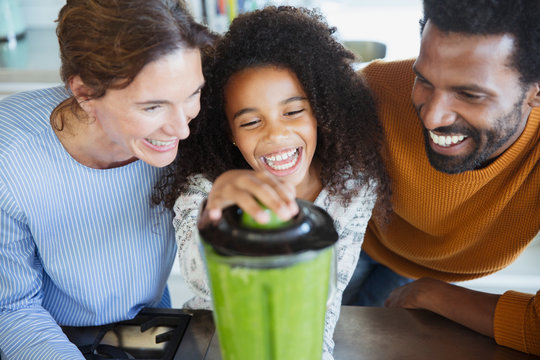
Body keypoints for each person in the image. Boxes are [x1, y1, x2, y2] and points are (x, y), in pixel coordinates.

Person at [154, 6, 391, 359]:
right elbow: (205, 282)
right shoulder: (205, 191)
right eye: (251, 122)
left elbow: (325, 302)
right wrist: (217, 214)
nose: (276, 134)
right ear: (229, 133)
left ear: (321, 112)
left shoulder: (352, 186)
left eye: (293, 112)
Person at [0, 0, 214, 358]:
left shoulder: (191, 130)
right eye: (152, 106)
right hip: (44, 336)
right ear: (84, 93)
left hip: (147, 325)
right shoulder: (10, 157)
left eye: (192, 93)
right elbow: (12, 308)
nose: (182, 127)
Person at [342, 0, 540, 355]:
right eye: (424, 80)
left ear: (536, 91)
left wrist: (435, 293)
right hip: (360, 240)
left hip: (438, 273)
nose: (432, 116)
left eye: (469, 94)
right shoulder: (372, 90)